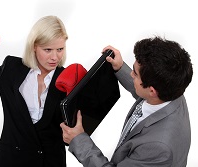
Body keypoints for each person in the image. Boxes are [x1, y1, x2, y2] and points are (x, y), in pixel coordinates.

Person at [0, 15, 120, 167]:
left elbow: (73, 134)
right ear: (34, 47)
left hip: (49, 162)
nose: (55, 57)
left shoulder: (68, 77)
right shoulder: (11, 69)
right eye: (48, 50)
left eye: (60, 49)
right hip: (10, 160)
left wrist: (81, 95)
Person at [60, 36, 193, 167]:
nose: (131, 74)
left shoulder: (158, 148)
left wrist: (78, 141)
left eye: (135, 73)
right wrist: (120, 67)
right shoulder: (172, 88)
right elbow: (144, 91)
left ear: (152, 91)